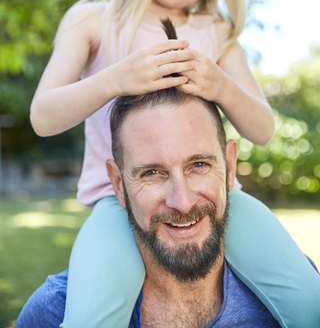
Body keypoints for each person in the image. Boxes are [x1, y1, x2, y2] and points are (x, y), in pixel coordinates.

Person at [28, 0, 319, 328]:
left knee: (303, 294)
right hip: (117, 204)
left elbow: (262, 128)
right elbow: (42, 117)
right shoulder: (94, 21)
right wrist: (115, 79)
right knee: (92, 313)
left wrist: (221, 85)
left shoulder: (216, 34)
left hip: (222, 202)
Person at [16, 88, 318, 327]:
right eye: (152, 173)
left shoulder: (295, 290)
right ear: (118, 185)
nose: (182, 201)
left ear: (229, 166)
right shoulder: (54, 312)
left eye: (199, 165)